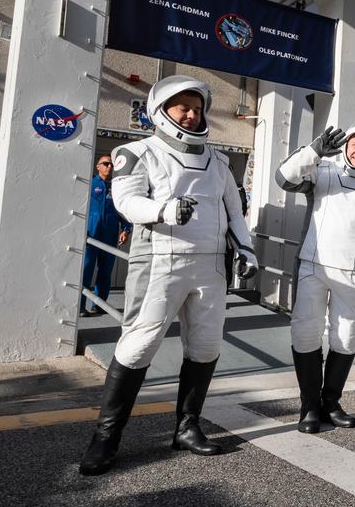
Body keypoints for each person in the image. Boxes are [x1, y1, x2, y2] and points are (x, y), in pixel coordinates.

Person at [78, 75, 258, 476]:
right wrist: (163, 211)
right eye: (183, 108)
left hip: (211, 266)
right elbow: (126, 201)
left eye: (197, 108)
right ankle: (105, 437)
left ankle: (187, 427)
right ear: (161, 111)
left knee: (205, 347)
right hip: (160, 260)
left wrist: (246, 249)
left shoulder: (219, 161)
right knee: (138, 346)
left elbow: (233, 212)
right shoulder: (136, 152)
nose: (192, 115)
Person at [275, 121, 355, 434]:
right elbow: (284, 178)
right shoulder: (322, 171)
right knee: (306, 333)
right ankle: (309, 406)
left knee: (346, 339)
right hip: (313, 266)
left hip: (353, 273)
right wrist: (314, 150)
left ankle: (330, 402)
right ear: (346, 146)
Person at [80, 154, 132, 315]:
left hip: (109, 235)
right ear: (98, 166)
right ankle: (80, 306)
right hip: (91, 234)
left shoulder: (117, 188)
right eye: (105, 163)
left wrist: (126, 229)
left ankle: (99, 305)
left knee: (105, 271)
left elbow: (123, 211)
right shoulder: (89, 184)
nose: (109, 166)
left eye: (111, 165)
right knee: (86, 270)